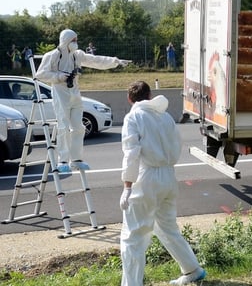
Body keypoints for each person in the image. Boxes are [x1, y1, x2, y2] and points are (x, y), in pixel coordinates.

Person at [119, 80, 206, 286]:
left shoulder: (133, 117)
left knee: (133, 236)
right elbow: (177, 144)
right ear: (150, 96)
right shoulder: (165, 116)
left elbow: (131, 153)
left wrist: (127, 186)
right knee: (167, 227)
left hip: (146, 177)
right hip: (168, 176)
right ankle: (192, 269)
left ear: (130, 99)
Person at [35, 29, 130, 173]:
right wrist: (60, 76)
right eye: (73, 40)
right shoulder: (52, 55)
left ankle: (77, 159)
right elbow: (40, 74)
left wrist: (115, 61)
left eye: (76, 40)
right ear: (65, 40)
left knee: (79, 127)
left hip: (74, 92)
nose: (75, 43)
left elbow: (96, 60)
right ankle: (63, 160)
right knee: (63, 127)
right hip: (60, 93)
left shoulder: (77, 55)